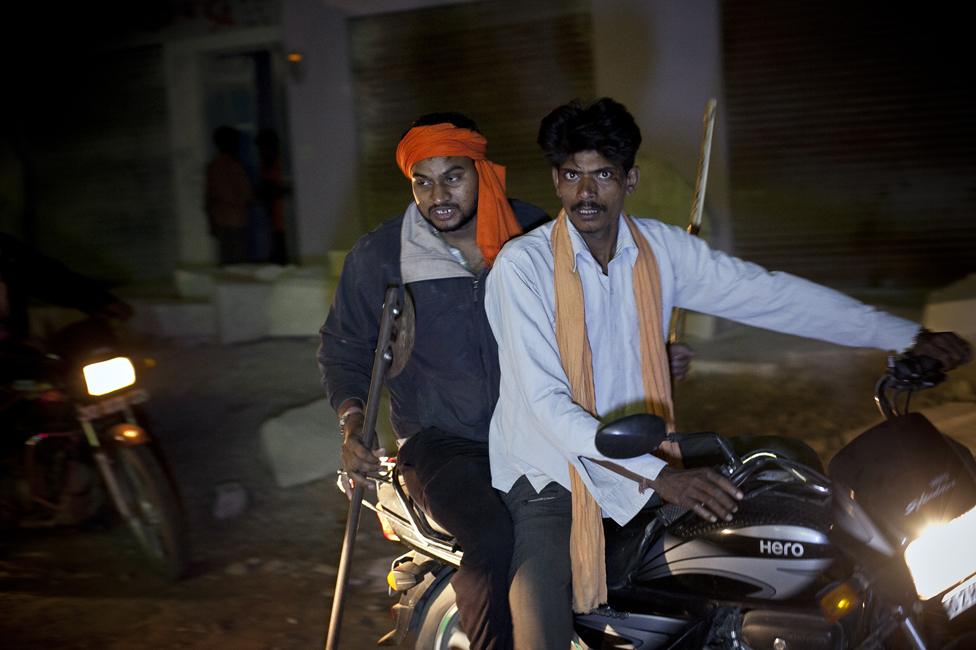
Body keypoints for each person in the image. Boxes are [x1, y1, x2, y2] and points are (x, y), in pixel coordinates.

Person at [484, 97, 973, 649]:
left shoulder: (659, 249)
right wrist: (663, 476)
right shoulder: (521, 268)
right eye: (573, 175)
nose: (586, 192)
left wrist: (903, 335)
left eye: (603, 175)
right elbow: (546, 404)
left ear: (630, 179)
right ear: (556, 181)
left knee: (790, 468)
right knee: (544, 581)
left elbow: (769, 294)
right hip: (550, 464)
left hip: (644, 445)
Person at [317, 113, 547, 650]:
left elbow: (590, 316)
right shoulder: (382, 254)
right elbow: (346, 347)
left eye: (453, 176)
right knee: (492, 540)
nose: (437, 194)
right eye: (422, 180)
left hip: (535, 428)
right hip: (442, 442)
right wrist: (353, 426)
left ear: (482, 172)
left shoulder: (532, 232)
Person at [205, 126, 253, 265]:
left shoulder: (212, 167)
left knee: (225, 259)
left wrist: (211, 222)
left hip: (220, 220)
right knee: (240, 260)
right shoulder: (236, 166)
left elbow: (208, 198)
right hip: (238, 220)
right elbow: (247, 195)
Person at [256, 128, 289, 265]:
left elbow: (282, 187)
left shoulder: (281, 163)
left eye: (264, 147)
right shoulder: (266, 164)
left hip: (281, 212)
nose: (261, 151)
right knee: (275, 240)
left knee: (280, 242)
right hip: (272, 212)